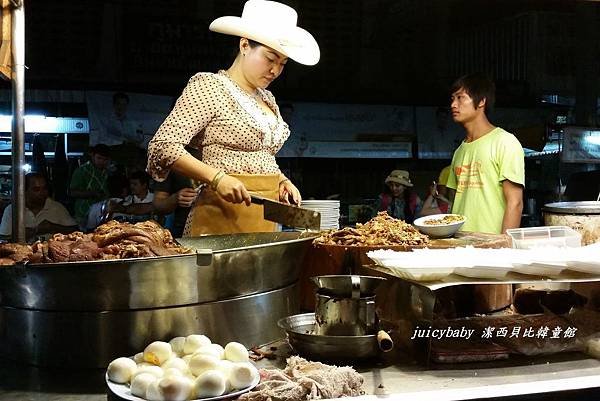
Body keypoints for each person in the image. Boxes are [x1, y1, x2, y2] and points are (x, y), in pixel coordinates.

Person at [146, 0, 320, 236]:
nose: (275, 71)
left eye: (282, 63)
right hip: (219, 217)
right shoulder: (210, 87)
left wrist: (281, 180)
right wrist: (217, 178)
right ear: (245, 45)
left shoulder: (268, 100)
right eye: (270, 58)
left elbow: (259, 155)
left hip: (264, 219)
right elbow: (164, 146)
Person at [445, 73, 524, 234]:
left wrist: (503, 246)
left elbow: (515, 203)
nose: (453, 104)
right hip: (460, 246)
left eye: (460, 98)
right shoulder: (459, 151)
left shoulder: (505, 142)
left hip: (492, 248)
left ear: (481, 101)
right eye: (452, 98)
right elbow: (454, 201)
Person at [0, 173, 77, 239]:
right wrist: (25, 234)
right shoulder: (12, 210)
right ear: (24, 191)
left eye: (44, 188)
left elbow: (75, 230)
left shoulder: (56, 207)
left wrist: (53, 227)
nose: (42, 193)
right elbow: (4, 238)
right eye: (36, 189)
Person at [69, 144, 111, 228]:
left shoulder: (108, 172)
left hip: (103, 214)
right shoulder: (81, 171)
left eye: (105, 159)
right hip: (83, 214)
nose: (102, 162)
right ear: (92, 156)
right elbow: (73, 192)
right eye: (99, 158)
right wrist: (93, 193)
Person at [152, 171, 196, 238]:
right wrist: (175, 198)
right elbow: (157, 204)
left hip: (215, 225)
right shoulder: (173, 165)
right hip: (183, 229)